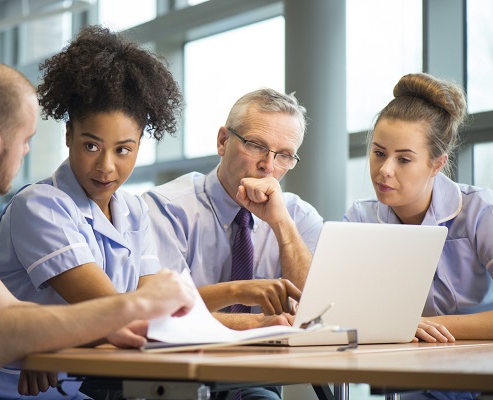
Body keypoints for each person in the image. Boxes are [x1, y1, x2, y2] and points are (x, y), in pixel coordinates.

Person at [0, 59, 195, 400]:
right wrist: (136, 306)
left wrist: (43, 337)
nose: (26, 150)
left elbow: (7, 309)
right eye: (25, 140)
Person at [142, 88, 323, 400]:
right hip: (178, 374)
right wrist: (261, 325)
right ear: (223, 141)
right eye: (256, 146)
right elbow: (162, 316)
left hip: (257, 378)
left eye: (284, 155)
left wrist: (281, 225)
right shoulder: (166, 207)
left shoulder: (297, 215)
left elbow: (317, 311)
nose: (269, 166)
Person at [344, 72, 493, 400]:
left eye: (404, 159)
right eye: (379, 153)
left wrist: (411, 324)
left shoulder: (480, 211)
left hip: (473, 374)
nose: (385, 170)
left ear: (437, 164)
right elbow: (338, 311)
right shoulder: (360, 219)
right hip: (400, 373)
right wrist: (399, 325)